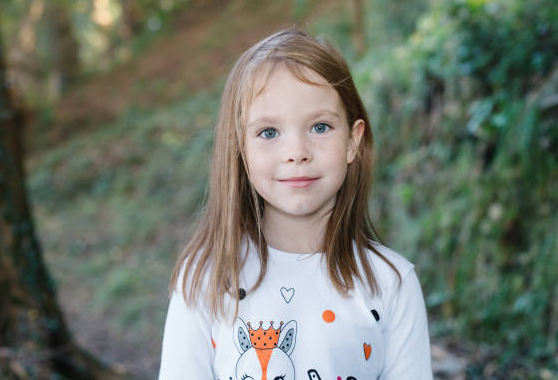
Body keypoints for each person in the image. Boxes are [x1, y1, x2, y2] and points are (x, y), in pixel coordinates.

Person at [158, 27, 432, 380]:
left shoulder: (391, 285)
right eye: (268, 132)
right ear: (239, 150)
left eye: (320, 127)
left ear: (353, 140)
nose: (297, 153)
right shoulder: (205, 281)